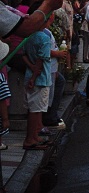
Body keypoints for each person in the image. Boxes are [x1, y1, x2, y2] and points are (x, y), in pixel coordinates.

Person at [21, 11, 54, 150]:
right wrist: (34, 74)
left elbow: (23, 54)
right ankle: (30, 139)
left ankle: (34, 137)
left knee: (33, 109)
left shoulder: (29, 36)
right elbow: (41, 59)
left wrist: (31, 67)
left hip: (30, 75)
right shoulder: (44, 38)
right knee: (36, 110)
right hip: (40, 79)